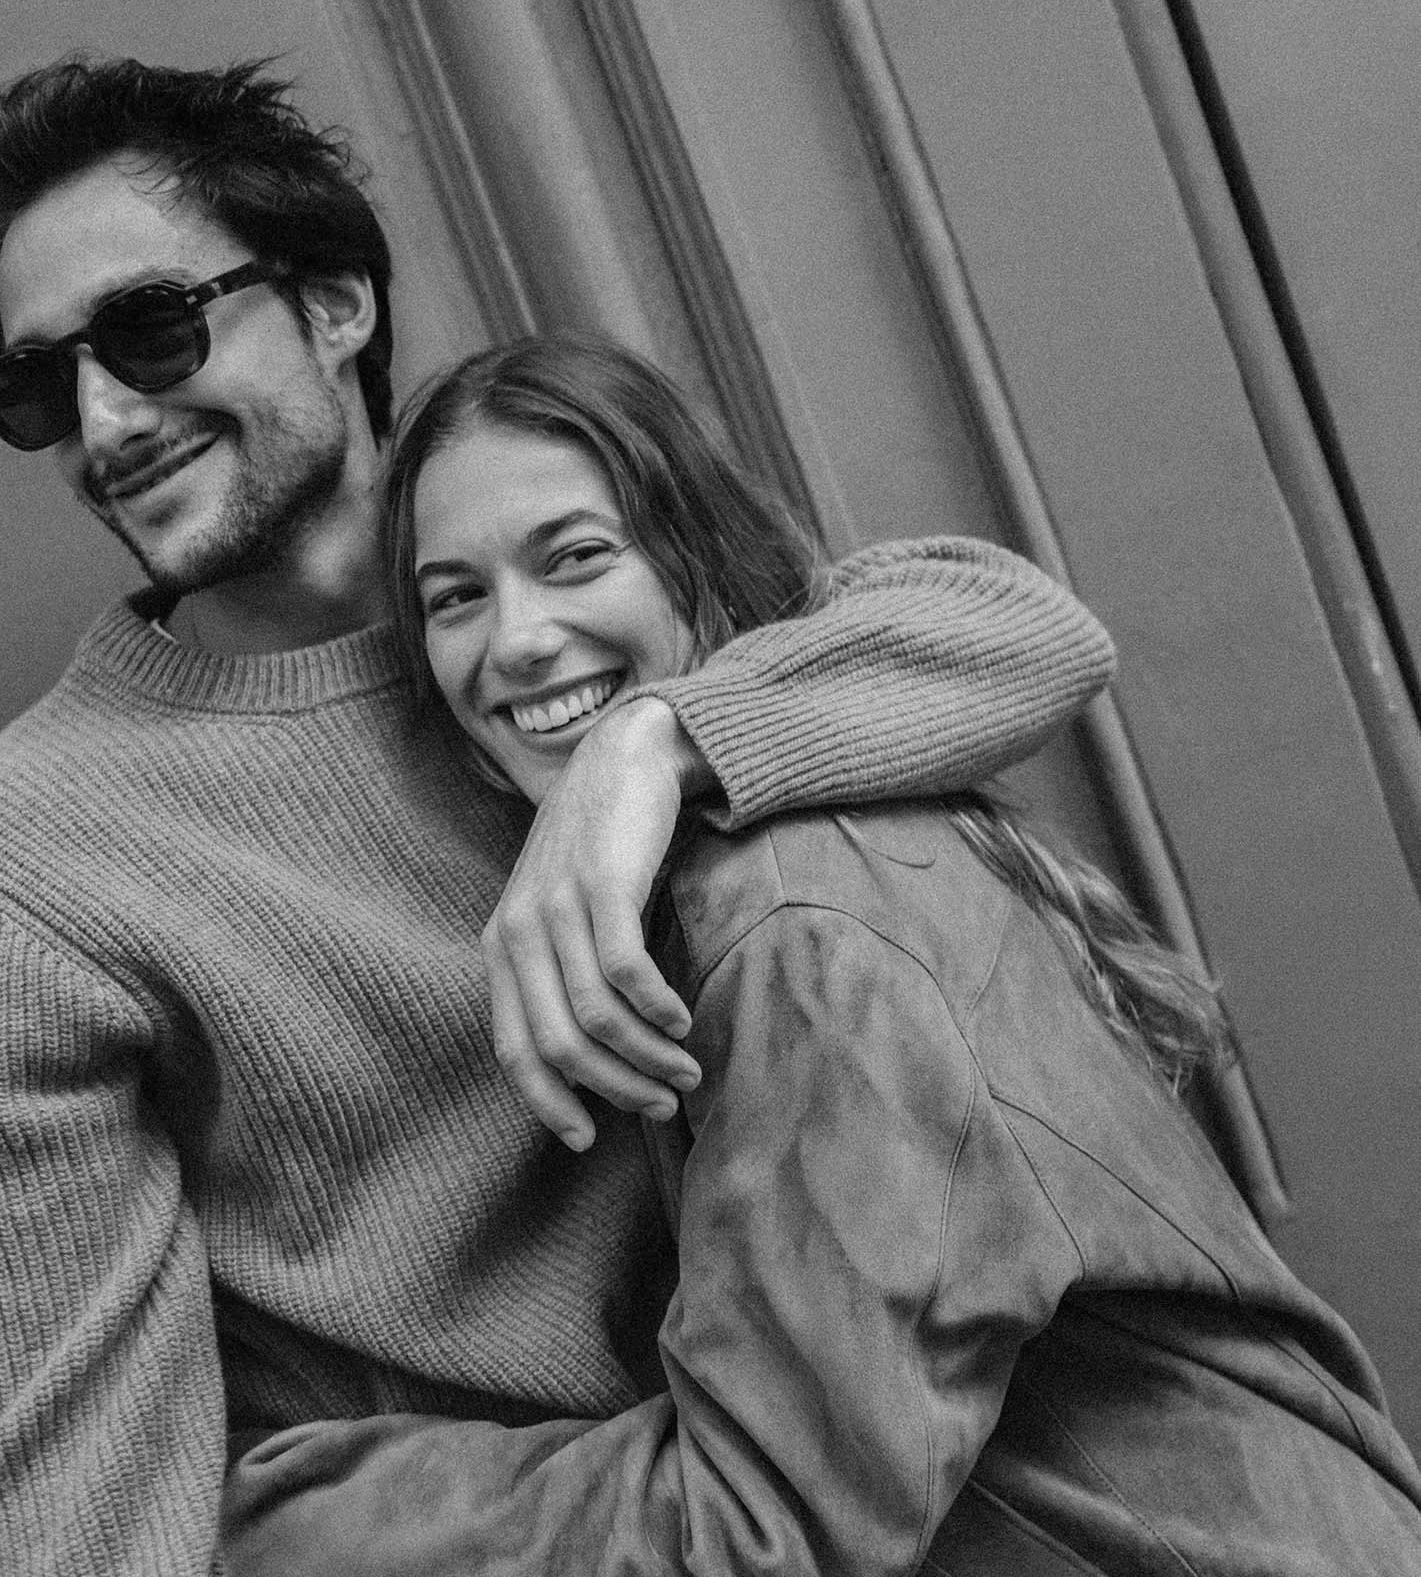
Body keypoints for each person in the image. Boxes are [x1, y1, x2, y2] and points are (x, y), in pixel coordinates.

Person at [0, 57, 1116, 1576]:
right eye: (33, 385)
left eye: (151, 327)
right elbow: (83, 1489)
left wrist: (648, 752)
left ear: (333, 306)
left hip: (965, 1469)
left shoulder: (573, 592)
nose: (103, 418)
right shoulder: (45, 859)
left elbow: (1018, 630)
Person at [222, 334, 1421, 1573]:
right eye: (455, 597)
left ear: (695, 560)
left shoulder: (797, 917)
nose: (517, 638)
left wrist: (284, 1516)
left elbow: (749, 1533)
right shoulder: (756, 875)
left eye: (575, 556)